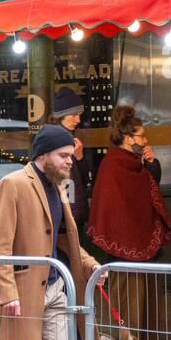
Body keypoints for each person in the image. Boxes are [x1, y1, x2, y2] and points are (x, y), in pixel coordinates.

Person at [0, 124, 101, 340]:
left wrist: (91, 263)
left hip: (55, 287)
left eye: (70, 155)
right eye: (64, 155)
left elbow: (64, 239)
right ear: (43, 154)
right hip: (24, 292)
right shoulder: (12, 183)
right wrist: (7, 291)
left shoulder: (59, 185)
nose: (70, 161)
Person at [86, 105, 171, 340]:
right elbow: (116, 205)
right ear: (127, 138)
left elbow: (146, 191)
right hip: (122, 242)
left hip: (142, 235)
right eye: (141, 135)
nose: (145, 140)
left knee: (144, 293)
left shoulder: (138, 164)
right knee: (126, 294)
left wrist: (152, 165)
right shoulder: (114, 163)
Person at [49, 88, 93, 232]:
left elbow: (82, 179)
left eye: (79, 115)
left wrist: (79, 158)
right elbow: (64, 182)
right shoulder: (53, 140)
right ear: (61, 115)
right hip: (63, 219)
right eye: (74, 115)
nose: (78, 120)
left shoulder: (70, 138)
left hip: (70, 215)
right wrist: (69, 217)